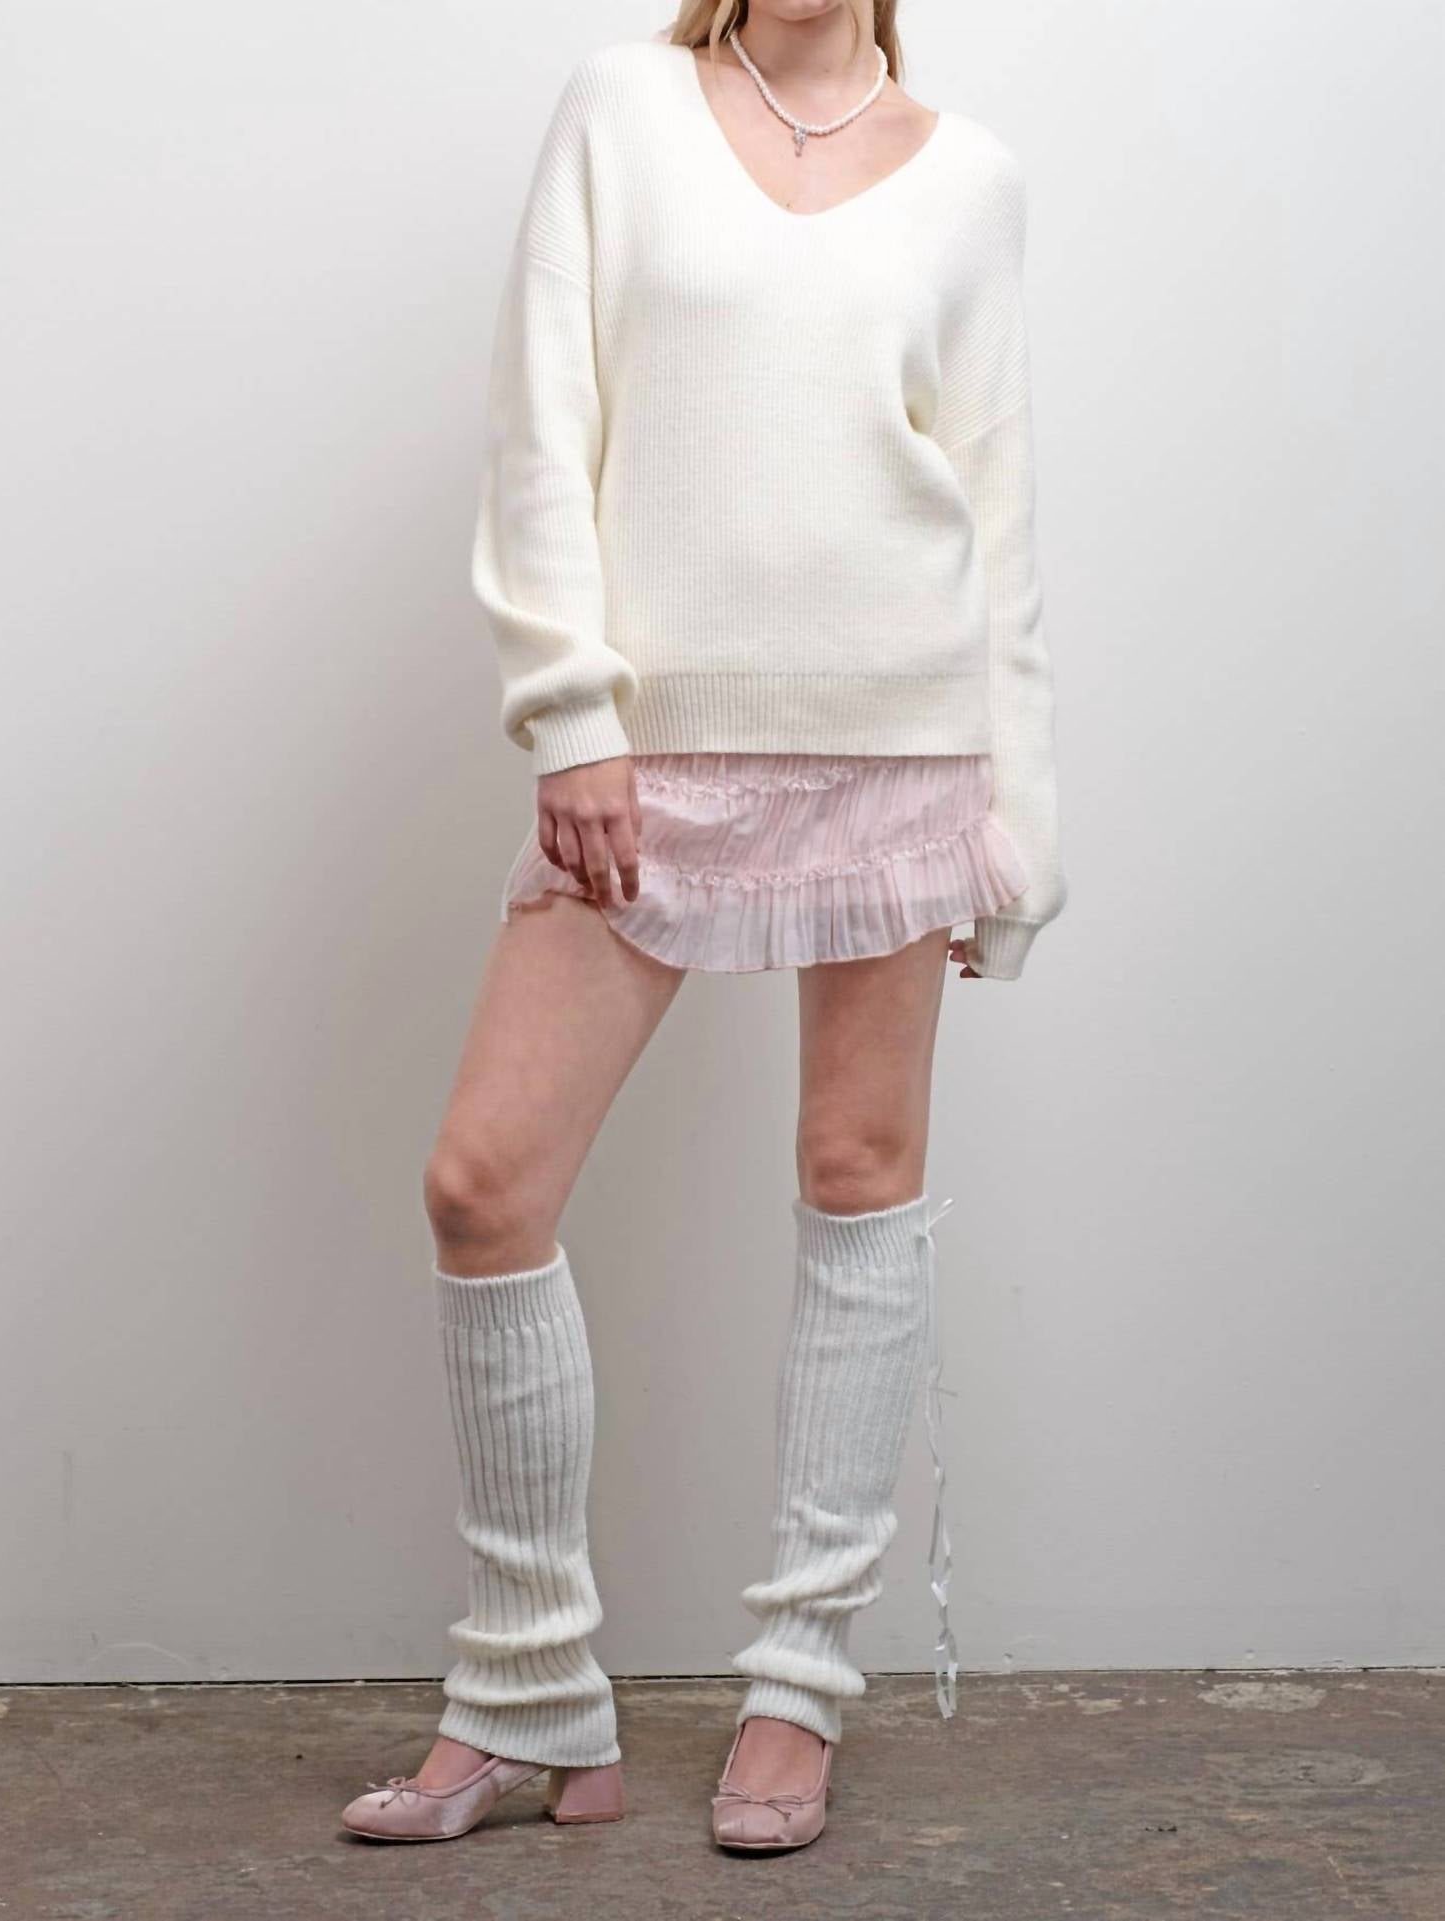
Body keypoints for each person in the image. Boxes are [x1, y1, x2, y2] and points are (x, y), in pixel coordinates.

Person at [341, 0, 1066, 1856]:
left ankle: (800, 1685)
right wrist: (571, 715)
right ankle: (528, 1690)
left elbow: (998, 514)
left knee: (858, 1174)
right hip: (653, 745)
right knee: (484, 1184)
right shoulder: (625, 108)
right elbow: (543, 419)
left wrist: (1023, 828)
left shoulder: (971, 179)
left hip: (902, 738)